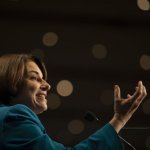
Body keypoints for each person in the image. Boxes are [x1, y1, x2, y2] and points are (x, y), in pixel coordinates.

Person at [0, 53, 147, 150]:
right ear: (10, 80)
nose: (47, 85)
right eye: (34, 78)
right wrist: (119, 120)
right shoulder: (15, 115)